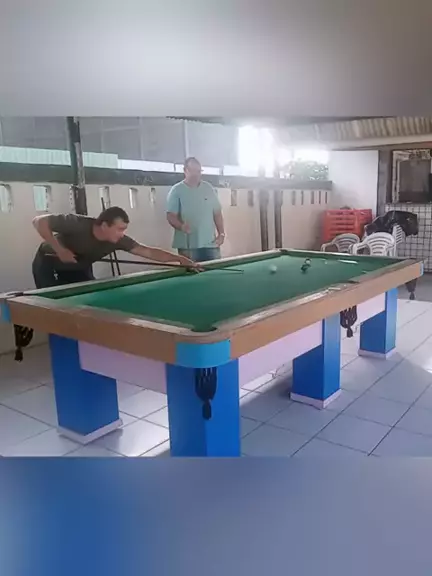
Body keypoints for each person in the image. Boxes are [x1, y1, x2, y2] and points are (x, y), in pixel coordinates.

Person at [31, 206, 197, 289]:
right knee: (50, 304)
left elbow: (147, 251)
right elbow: (39, 221)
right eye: (119, 229)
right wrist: (60, 250)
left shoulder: (118, 240)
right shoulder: (78, 224)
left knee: (88, 298)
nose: (122, 234)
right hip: (48, 262)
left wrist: (178, 259)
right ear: (104, 225)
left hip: (77, 266)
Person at [166, 157, 225, 262]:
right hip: (188, 247)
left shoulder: (208, 188)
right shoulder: (176, 190)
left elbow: (217, 213)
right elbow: (171, 216)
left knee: (215, 270)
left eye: (198, 171)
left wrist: (221, 234)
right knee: (191, 271)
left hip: (211, 244)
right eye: (192, 171)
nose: (195, 174)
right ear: (185, 170)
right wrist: (181, 226)